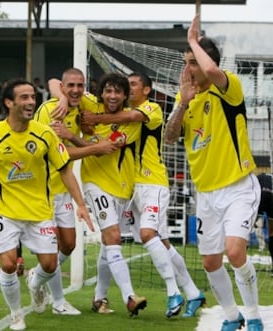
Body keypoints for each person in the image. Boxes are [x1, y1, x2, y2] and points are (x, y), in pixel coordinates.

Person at [0, 78, 93, 331]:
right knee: (9, 264)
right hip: (5, 212)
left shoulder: (45, 133)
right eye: (24, 97)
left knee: (49, 264)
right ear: (8, 103)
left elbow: (65, 169)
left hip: (40, 212)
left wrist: (80, 203)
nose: (31, 102)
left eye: (33, 97)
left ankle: (35, 283)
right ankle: (15, 314)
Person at [164, 15, 263, 331]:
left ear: (208, 62)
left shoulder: (229, 88)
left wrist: (194, 40)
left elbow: (210, 71)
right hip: (205, 193)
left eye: (192, 62)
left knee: (235, 252)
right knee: (210, 261)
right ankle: (233, 317)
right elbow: (169, 136)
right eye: (186, 63)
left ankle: (255, 316)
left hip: (238, 187)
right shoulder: (187, 99)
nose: (188, 69)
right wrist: (182, 104)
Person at [81, 71, 206, 318]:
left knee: (147, 234)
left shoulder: (151, 109)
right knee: (158, 243)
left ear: (146, 90)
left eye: (132, 85)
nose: (127, 89)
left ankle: (173, 292)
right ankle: (192, 292)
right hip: (131, 187)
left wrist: (95, 118)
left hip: (153, 183)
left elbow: (131, 115)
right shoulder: (120, 116)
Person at [50, 72, 147, 317]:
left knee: (109, 243)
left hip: (124, 188)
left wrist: (72, 136)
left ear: (125, 95)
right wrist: (62, 98)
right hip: (95, 184)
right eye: (108, 91)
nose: (112, 96)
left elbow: (104, 149)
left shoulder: (131, 123)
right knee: (113, 236)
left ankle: (99, 297)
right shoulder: (90, 102)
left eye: (118, 92)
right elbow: (55, 83)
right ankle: (129, 297)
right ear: (101, 93)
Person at [35, 68, 121, 316]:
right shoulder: (51, 111)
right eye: (69, 86)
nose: (74, 90)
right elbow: (57, 155)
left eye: (79, 86)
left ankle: (37, 276)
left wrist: (89, 142)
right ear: (63, 88)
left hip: (64, 187)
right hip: (44, 191)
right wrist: (95, 148)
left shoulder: (83, 106)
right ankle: (58, 302)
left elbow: (52, 79)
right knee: (53, 247)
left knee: (69, 245)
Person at [256, 173, 273, 276]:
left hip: (260, 197)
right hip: (270, 196)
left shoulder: (257, 178)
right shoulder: (265, 177)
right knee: (272, 234)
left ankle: (239, 268)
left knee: (246, 230)